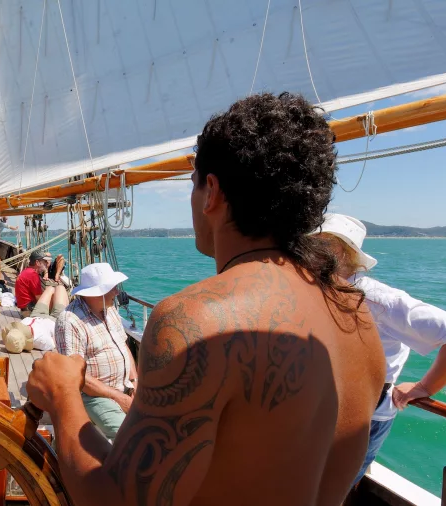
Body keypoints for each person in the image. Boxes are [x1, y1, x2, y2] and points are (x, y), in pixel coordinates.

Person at [25, 92, 386, 506]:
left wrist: (63, 396)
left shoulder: (194, 320)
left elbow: (115, 500)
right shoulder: (355, 313)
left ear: (211, 190)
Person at [316, 213, 446, 485]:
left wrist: (424, 387)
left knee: (332, 488)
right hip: (323, 408)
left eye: (323, 245)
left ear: (345, 254)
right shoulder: (318, 291)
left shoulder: (379, 300)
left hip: (364, 418)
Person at [52, 263, 136, 440]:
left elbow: (124, 346)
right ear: (97, 292)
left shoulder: (110, 310)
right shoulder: (70, 321)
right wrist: (117, 397)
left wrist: (135, 382)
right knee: (129, 437)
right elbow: (76, 376)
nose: (116, 293)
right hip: (93, 397)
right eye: (112, 288)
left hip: (124, 389)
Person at [2, 285, 70, 353]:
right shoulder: (40, 341)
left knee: (50, 289)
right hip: (55, 319)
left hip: (35, 315)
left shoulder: (19, 329)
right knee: (60, 288)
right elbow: (55, 343)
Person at [14, 251, 49, 316]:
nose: (47, 264)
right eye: (44, 262)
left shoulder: (27, 271)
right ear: (37, 263)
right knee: (50, 290)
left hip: (24, 308)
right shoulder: (33, 275)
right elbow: (39, 298)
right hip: (29, 311)